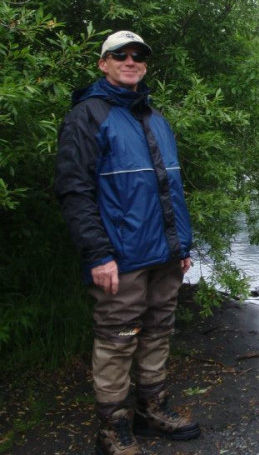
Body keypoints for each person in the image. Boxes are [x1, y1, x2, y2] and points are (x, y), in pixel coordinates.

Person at [55, 31, 200, 455]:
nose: (131, 60)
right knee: (118, 339)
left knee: (158, 331)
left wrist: (182, 246)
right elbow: (73, 190)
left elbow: (170, 187)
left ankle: (151, 409)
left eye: (138, 56)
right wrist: (98, 254)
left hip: (166, 253)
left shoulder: (155, 117)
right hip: (121, 257)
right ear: (103, 63)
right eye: (121, 55)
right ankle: (112, 427)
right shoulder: (87, 115)